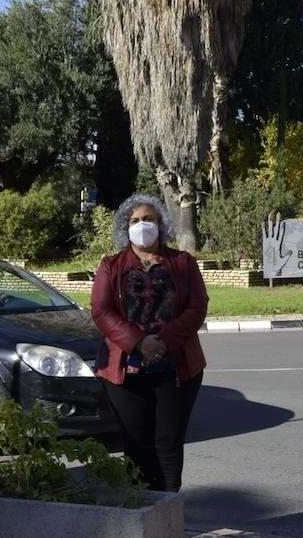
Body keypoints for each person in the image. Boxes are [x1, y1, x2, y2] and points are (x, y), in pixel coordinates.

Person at [90, 194, 208, 492]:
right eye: (134, 221)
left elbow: (197, 307)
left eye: (148, 219)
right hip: (125, 371)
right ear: (124, 227)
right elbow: (101, 311)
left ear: (161, 224)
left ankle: (167, 514)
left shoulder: (182, 263)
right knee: (137, 446)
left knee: (168, 445)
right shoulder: (111, 266)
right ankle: (142, 514)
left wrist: (163, 342)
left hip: (176, 369)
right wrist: (139, 342)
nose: (142, 225)